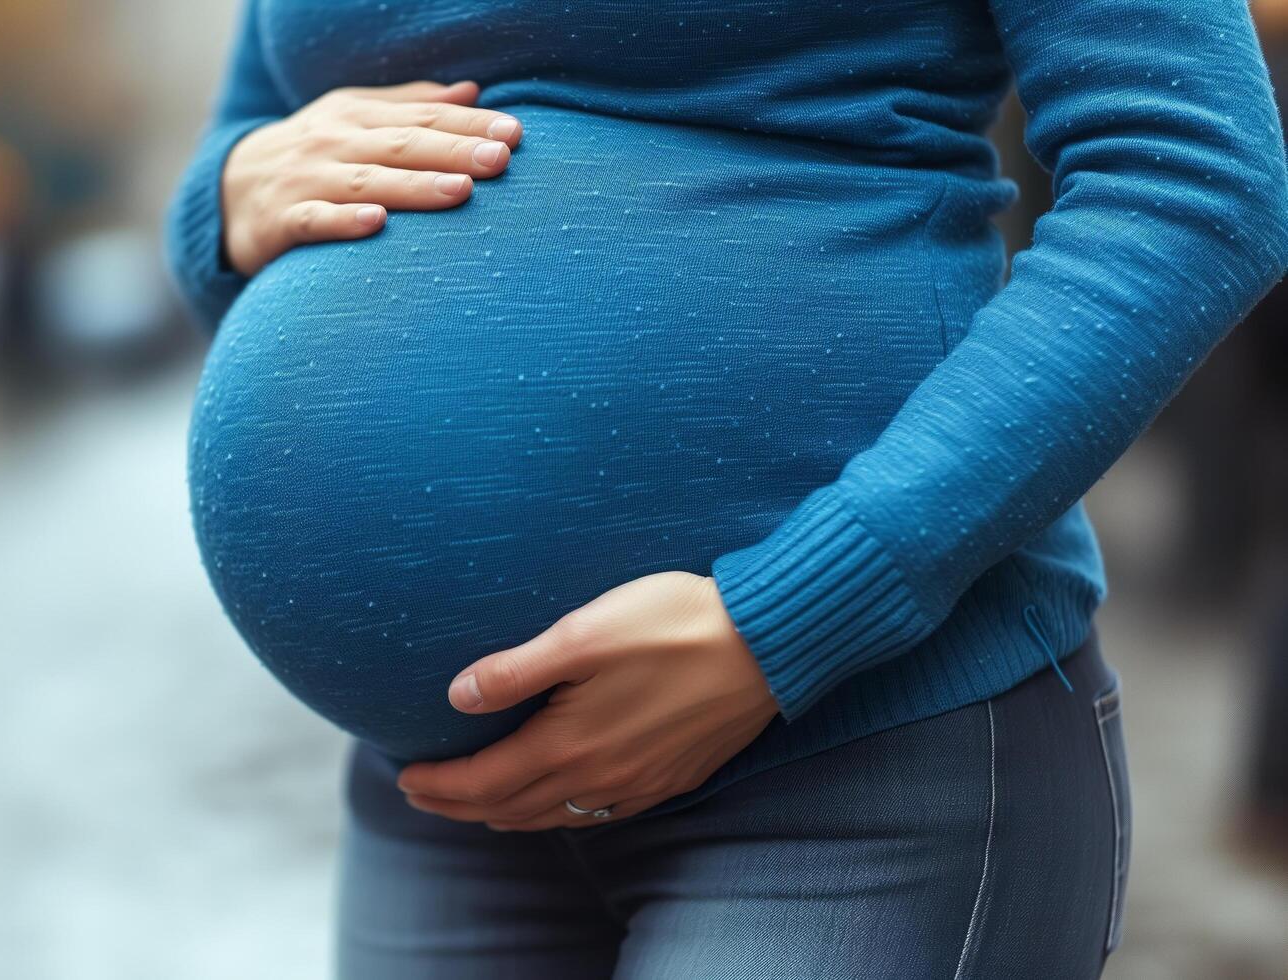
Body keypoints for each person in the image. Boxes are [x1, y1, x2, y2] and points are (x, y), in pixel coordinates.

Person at [162, 1, 1288, 976]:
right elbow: (248, 141)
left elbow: (1191, 181)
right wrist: (229, 192)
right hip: (446, 805)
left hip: (859, 761)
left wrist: (792, 615)